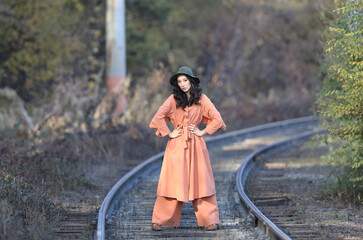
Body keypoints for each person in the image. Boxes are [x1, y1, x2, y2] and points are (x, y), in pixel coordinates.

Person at [149, 66, 226, 231]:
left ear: (191, 81)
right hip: (176, 146)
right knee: (171, 182)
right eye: (179, 81)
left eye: (185, 80)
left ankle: (210, 220)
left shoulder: (203, 99)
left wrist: (203, 131)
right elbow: (158, 116)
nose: (182, 84)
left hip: (196, 145)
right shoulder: (173, 99)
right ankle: (160, 220)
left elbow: (217, 119)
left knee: (201, 181)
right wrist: (169, 133)